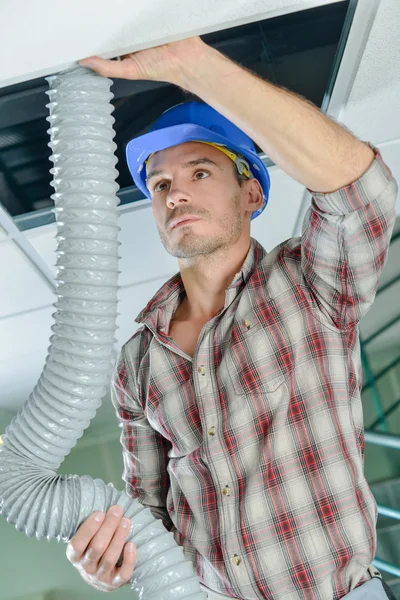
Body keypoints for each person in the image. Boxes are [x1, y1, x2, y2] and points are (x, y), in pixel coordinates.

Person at [65, 36, 398, 599]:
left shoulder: (309, 284)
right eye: (161, 184)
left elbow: (362, 191)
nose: (174, 195)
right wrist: (105, 558)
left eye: (199, 173)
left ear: (250, 192)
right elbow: (149, 519)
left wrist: (196, 69)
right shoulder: (136, 362)